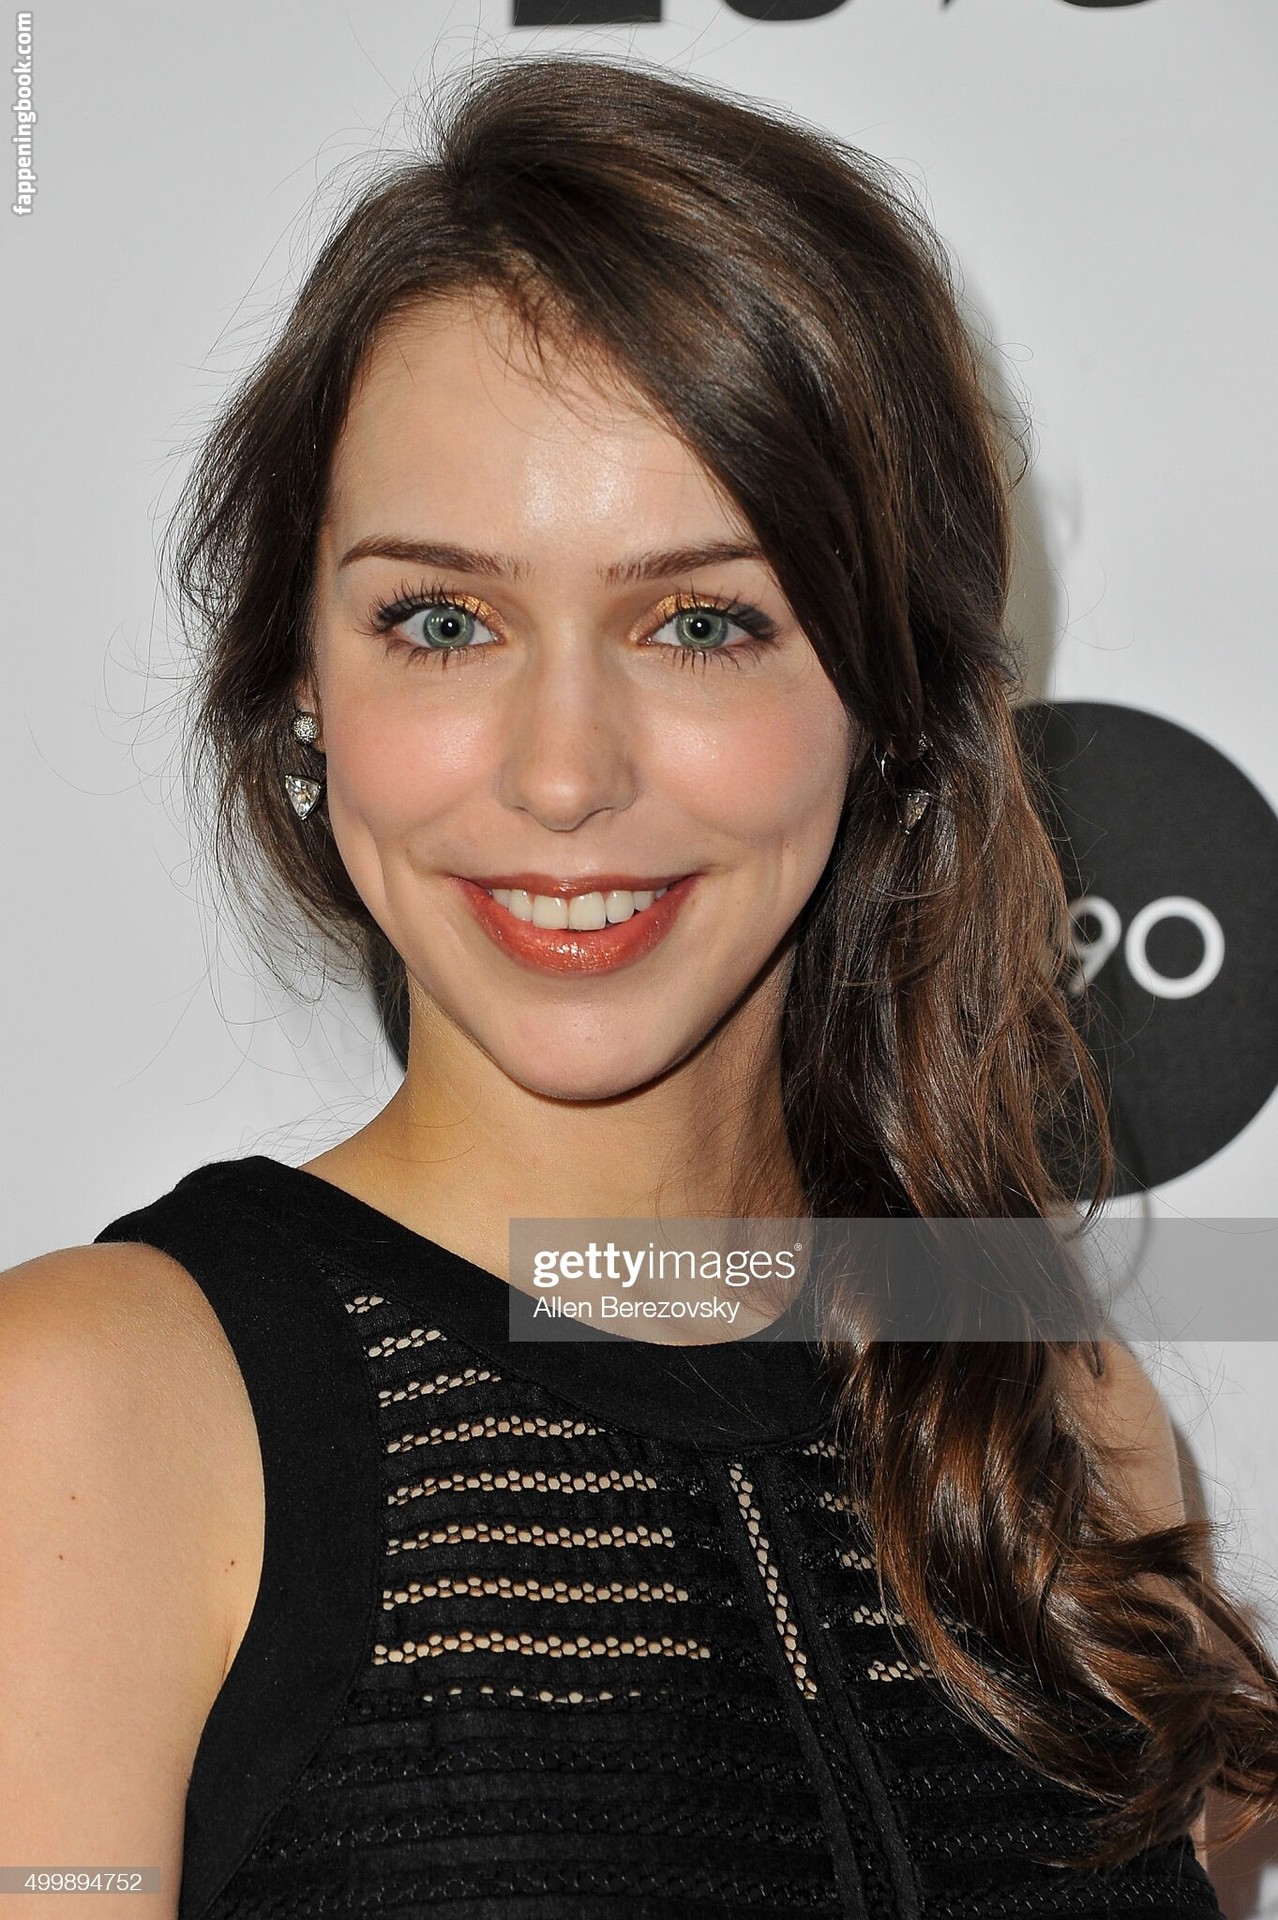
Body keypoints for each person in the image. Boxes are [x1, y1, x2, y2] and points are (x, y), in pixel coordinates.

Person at [2, 51, 1276, 1920]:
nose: (561, 773)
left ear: (888, 698)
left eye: (699, 621)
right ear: (302, 683)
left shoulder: (1052, 1424)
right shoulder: (93, 1424)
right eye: (444, 620)